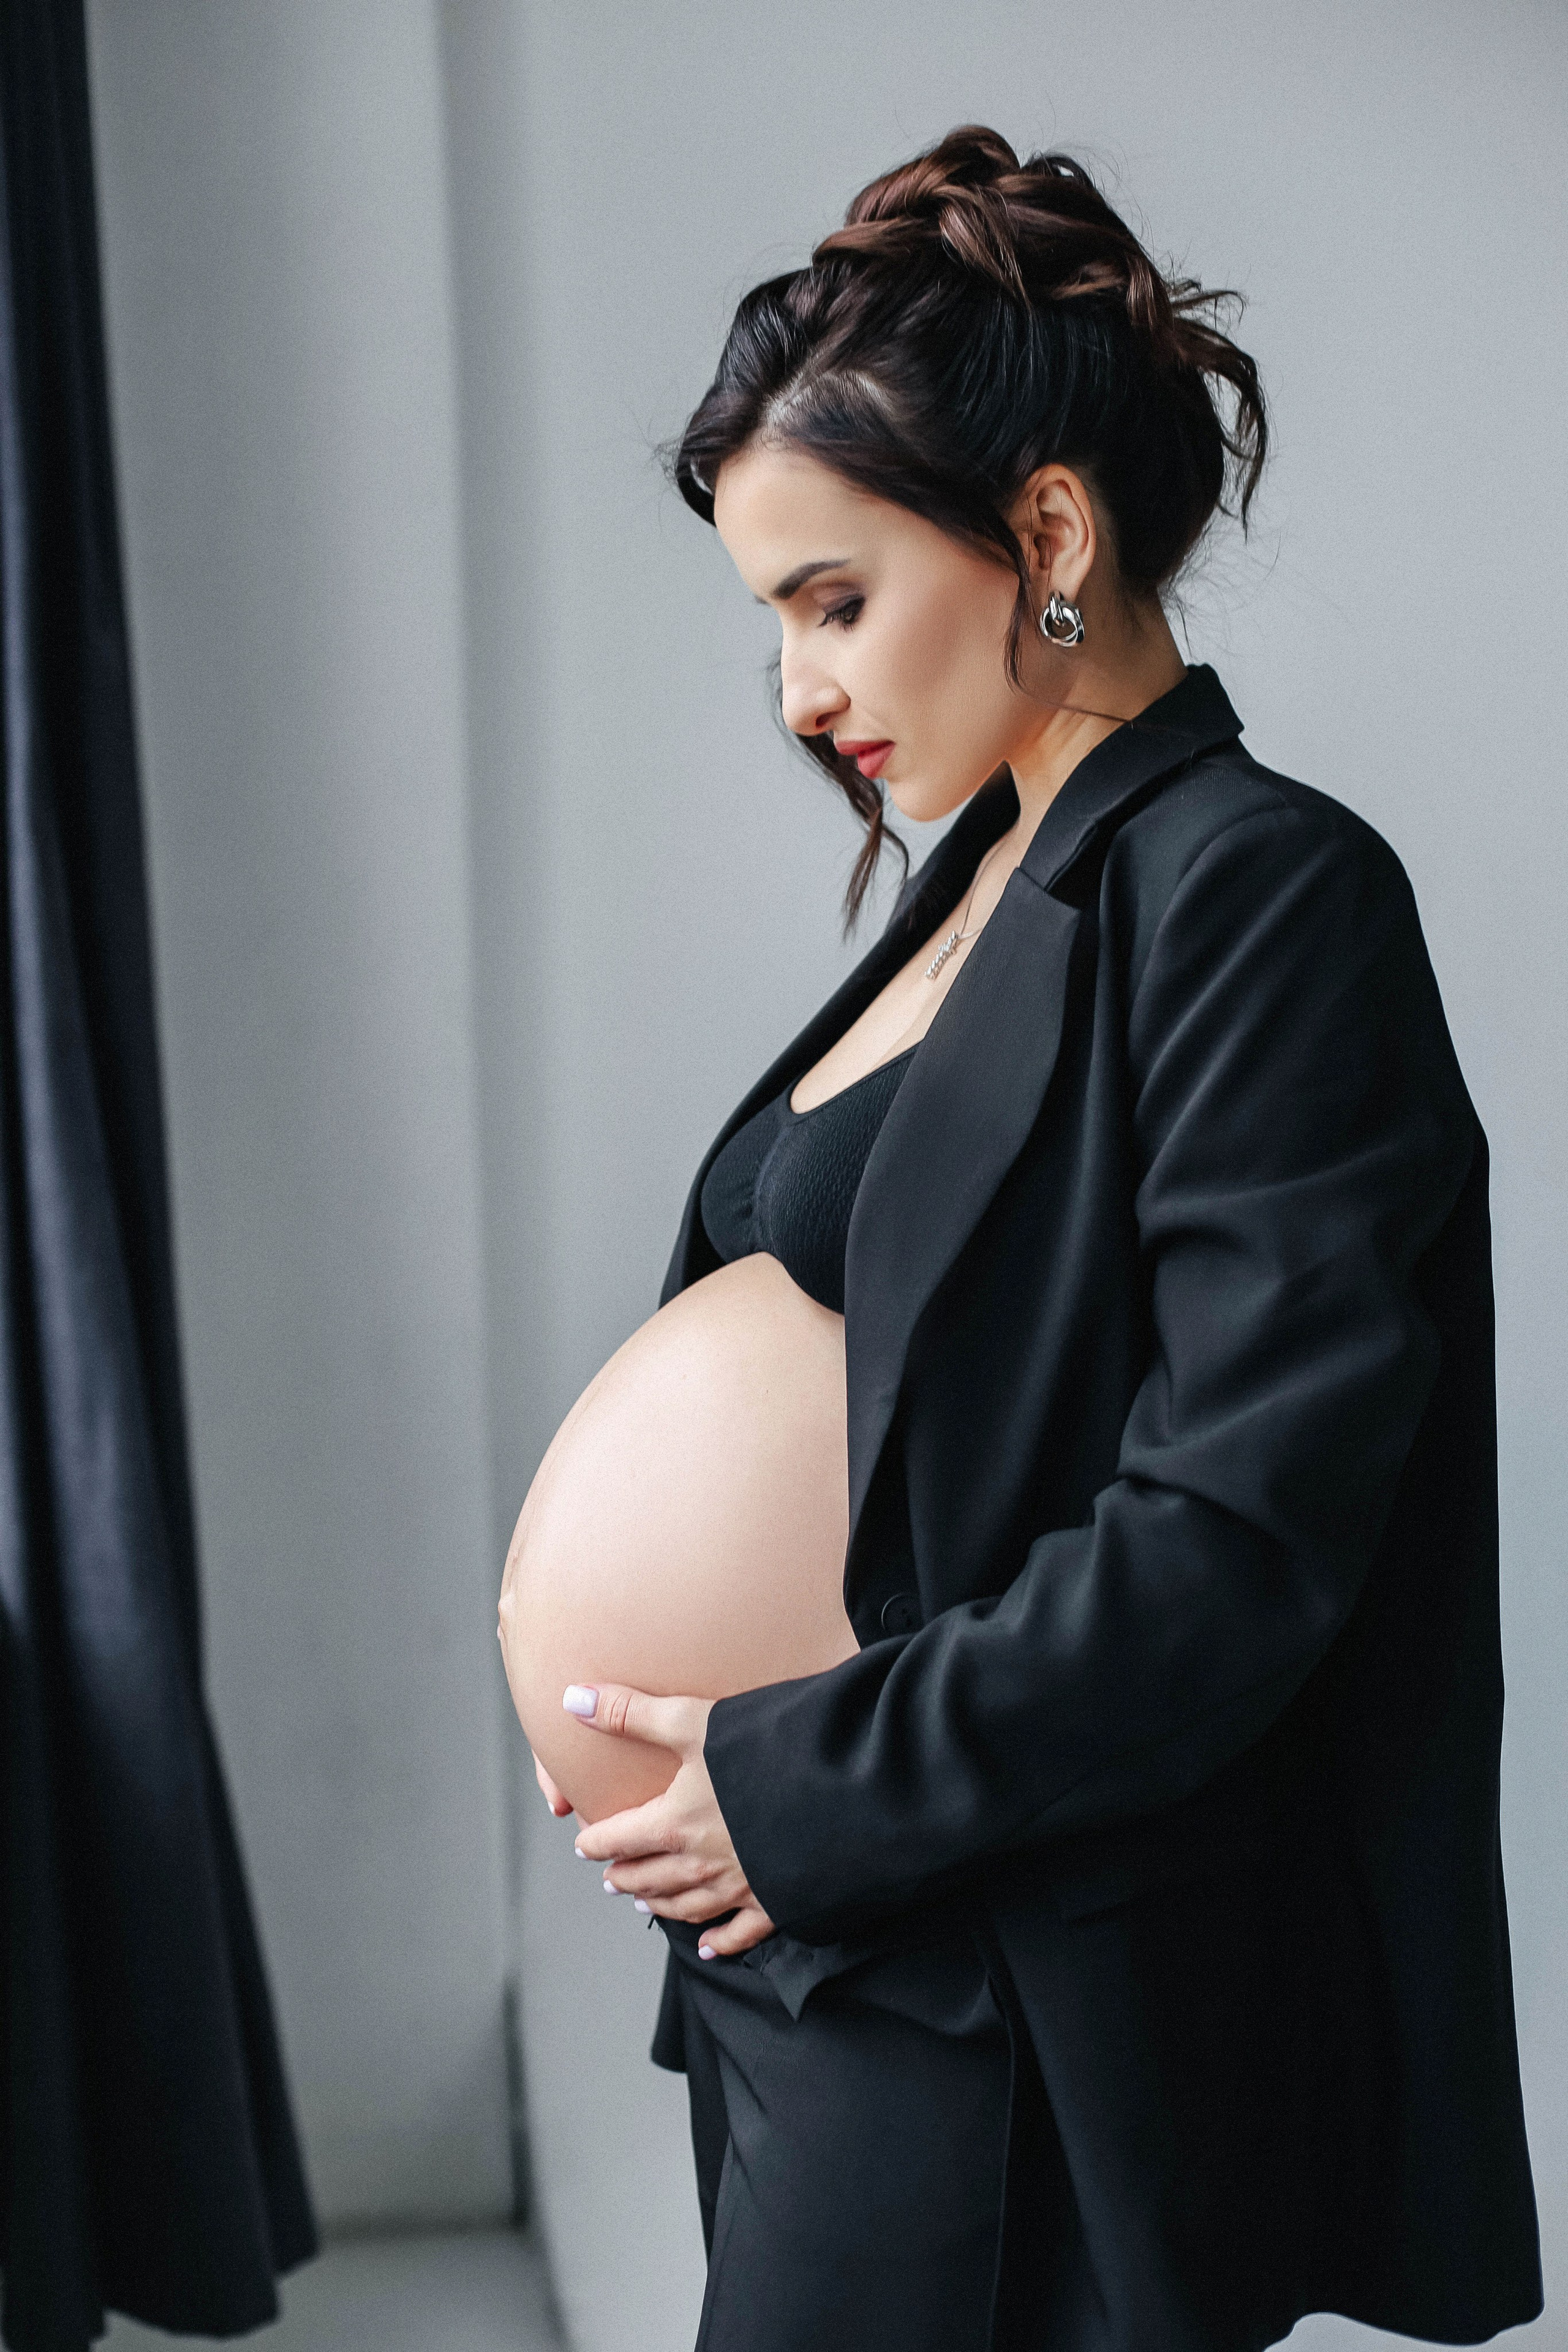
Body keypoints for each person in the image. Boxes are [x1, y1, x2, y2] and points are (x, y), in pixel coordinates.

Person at [552, 127, 1542, 2351]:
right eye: (773, 623)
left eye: (832, 601)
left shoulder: (1263, 895)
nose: (800, 695)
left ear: (1050, 536)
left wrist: (798, 1788)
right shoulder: (981, 880)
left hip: (1010, 2017)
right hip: (818, 1979)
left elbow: (1234, 1541)